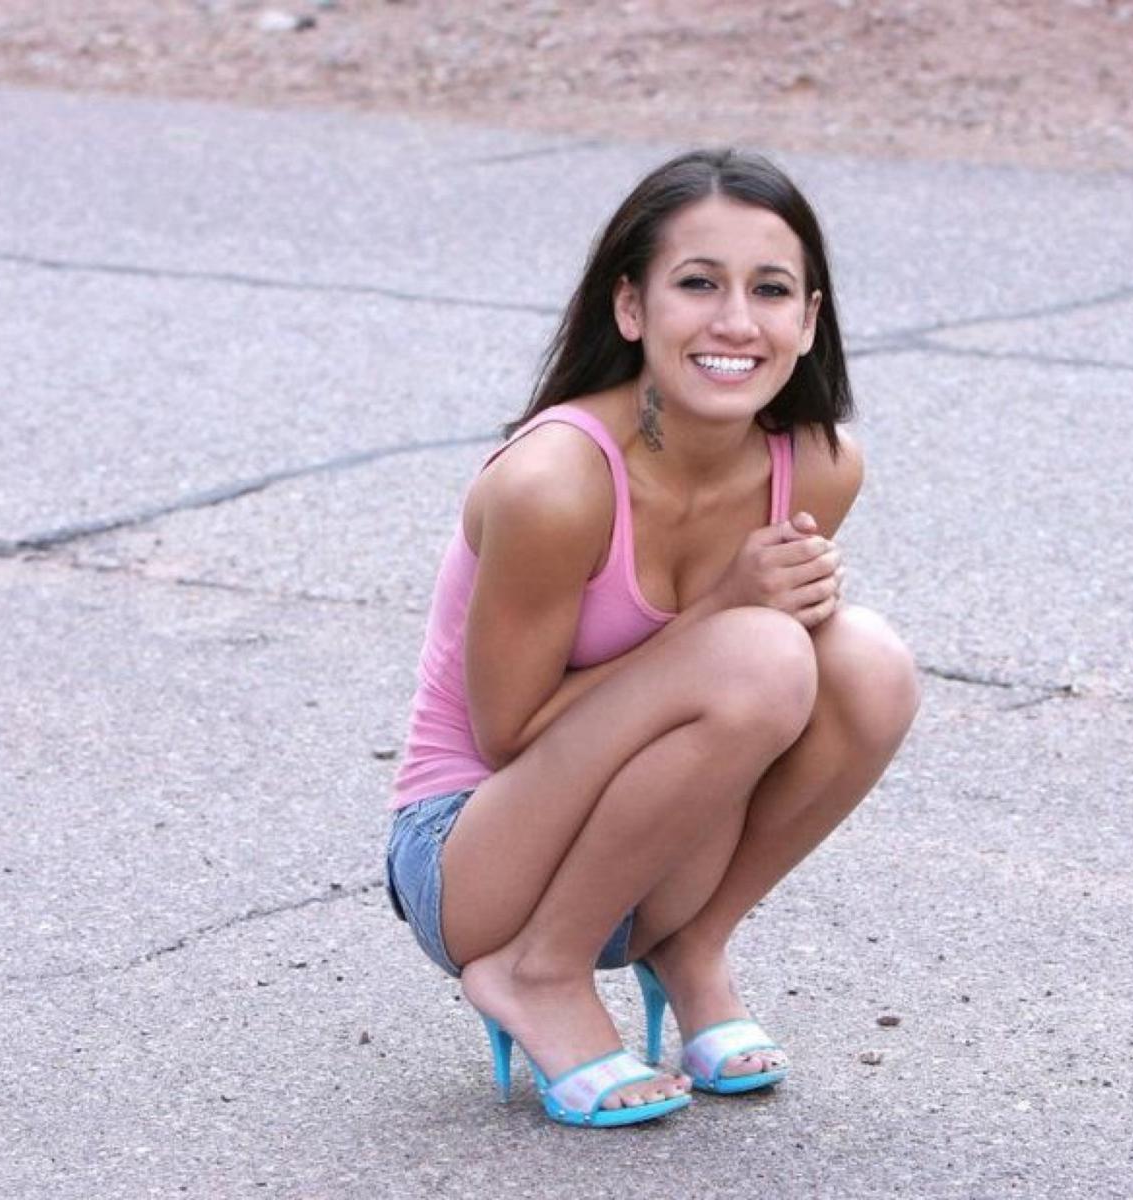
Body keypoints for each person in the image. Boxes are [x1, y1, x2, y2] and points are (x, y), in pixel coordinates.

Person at [383, 147, 921, 1128]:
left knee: (866, 663)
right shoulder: (554, 483)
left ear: (809, 320)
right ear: (631, 307)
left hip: (643, 850)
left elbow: (752, 718)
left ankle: (691, 943)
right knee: (760, 654)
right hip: (474, 851)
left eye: (770, 290)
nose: (735, 321)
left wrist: (740, 623)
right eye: (698, 284)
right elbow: (508, 733)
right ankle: (538, 970)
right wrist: (720, 610)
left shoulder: (820, 464)